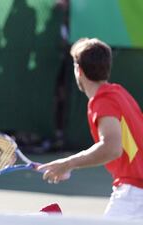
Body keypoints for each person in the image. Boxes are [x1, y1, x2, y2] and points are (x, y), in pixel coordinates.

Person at [37, 38, 143, 220]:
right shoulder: (119, 93)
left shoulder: (103, 101)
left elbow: (112, 148)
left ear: (78, 70)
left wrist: (67, 163)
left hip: (134, 194)